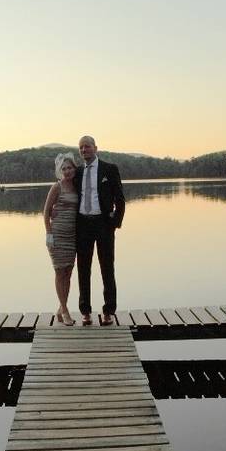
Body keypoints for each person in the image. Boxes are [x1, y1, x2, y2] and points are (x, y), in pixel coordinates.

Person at [75, 135, 125, 325]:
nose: (84, 150)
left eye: (87, 147)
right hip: (83, 225)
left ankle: (108, 311)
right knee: (83, 269)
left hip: (103, 224)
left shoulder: (109, 169)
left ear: (95, 148)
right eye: (81, 148)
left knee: (107, 268)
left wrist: (115, 223)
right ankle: (85, 311)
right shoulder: (78, 172)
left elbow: (120, 199)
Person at [42, 152, 79, 325]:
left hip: (72, 236)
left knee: (68, 272)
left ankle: (60, 308)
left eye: (69, 167)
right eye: (63, 168)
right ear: (60, 170)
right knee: (59, 271)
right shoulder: (57, 187)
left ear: (74, 168)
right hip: (57, 235)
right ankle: (65, 310)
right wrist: (49, 233)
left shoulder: (77, 186)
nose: (67, 171)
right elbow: (46, 211)